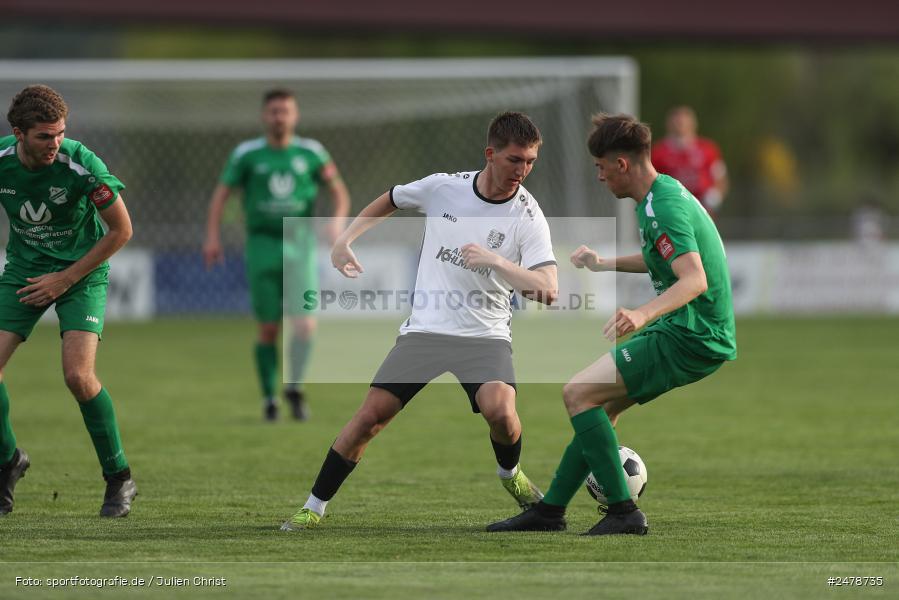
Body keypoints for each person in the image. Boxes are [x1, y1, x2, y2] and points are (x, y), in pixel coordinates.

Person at [280, 111, 559, 530]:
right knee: (370, 417)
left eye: (530, 162)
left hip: (484, 335)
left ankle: (510, 475)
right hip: (427, 329)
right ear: (490, 154)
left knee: (500, 412)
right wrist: (346, 239)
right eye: (515, 160)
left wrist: (497, 261)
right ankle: (313, 506)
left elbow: (548, 289)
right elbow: (392, 197)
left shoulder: (527, 215)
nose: (523, 171)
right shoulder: (444, 188)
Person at [487, 113, 737, 536]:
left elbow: (694, 279)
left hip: (692, 334)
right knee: (598, 406)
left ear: (622, 164)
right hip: (688, 329)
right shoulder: (660, 196)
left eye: (601, 168)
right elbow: (665, 257)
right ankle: (550, 512)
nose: (600, 177)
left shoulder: (664, 206)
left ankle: (624, 512)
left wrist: (641, 313)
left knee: (578, 393)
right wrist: (604, 265)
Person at [0, 85, 137, 517]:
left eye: (60, 133)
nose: (55, 143)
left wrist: (65, 278)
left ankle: (119, 478)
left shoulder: (81, 164)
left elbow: (121, 231)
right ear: (18, 134)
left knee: (78, 376)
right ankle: (8, 462)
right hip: (23, 271)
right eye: (44, 136)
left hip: (82, 273)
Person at [203, 89, 350, 422]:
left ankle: (294, 387)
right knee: (268, 329)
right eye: (273, 111)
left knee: (305, 327)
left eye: (285, 111)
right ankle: (270, 398)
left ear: (295, 116)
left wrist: (336, 223)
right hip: (262, 245)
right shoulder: (247, 154)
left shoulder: (312, 153)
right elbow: (221, 195)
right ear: (263, 116)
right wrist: (212, 236)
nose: (279, 117)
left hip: (301, 245)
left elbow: (339, 192)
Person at [651, 106, 728, 219]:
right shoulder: (659, 152)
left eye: (684, 122)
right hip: (672, 209)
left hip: (702, 208)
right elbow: (650, 181)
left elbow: (721, 178)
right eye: (677, 121)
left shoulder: (707, 149)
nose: (680, 125)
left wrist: (715, 196)